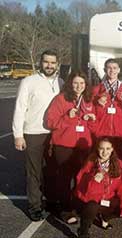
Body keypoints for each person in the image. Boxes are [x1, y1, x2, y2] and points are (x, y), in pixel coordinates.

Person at [12, 49, 63, 221]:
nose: (49, 65)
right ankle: (35, 206)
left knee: (52, 171)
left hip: (55, 134)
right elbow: (20, 108)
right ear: (41, 62)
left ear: (57, 64)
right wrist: (18, 134)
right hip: (33, 132)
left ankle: (51, 201)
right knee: (34, 172)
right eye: (46, 62)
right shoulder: (28, 81)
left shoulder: (61, 82)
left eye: (52, 62)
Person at [46, 70, 96, 221]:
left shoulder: (88, 99)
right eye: (75, 83)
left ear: (86, 85)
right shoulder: (61, 99)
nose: (79, 86)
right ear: (70, 84)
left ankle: (76, 205)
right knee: (65, 178)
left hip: (82, 146)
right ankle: (66, 210)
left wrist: (92, 119)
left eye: (82, 83)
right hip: (64, 145)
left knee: (80, 177)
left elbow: (92, 126)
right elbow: (50, 122)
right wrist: (68, 117)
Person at [74, 137, 122, 238]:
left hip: (106, 198)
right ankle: (83, 231)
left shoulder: (119, 164)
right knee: (92, 206)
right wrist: (94, 181)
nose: (104, 152)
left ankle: (104, 218)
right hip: (89, 199)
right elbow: (86, 192)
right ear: (97, 149)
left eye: (108, 148)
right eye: (101, 148)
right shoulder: (90, 162)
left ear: (112, 149)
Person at [92, 58, 122, 167]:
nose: (112, 70)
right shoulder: (97, 90)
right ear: (104, 70)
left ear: (119, 70)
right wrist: (99, 105)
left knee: (121, 164)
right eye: (109, 68)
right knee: (103, 164)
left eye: (115, 68)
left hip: (121, 133)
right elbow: (94, 114)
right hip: (103, 133)